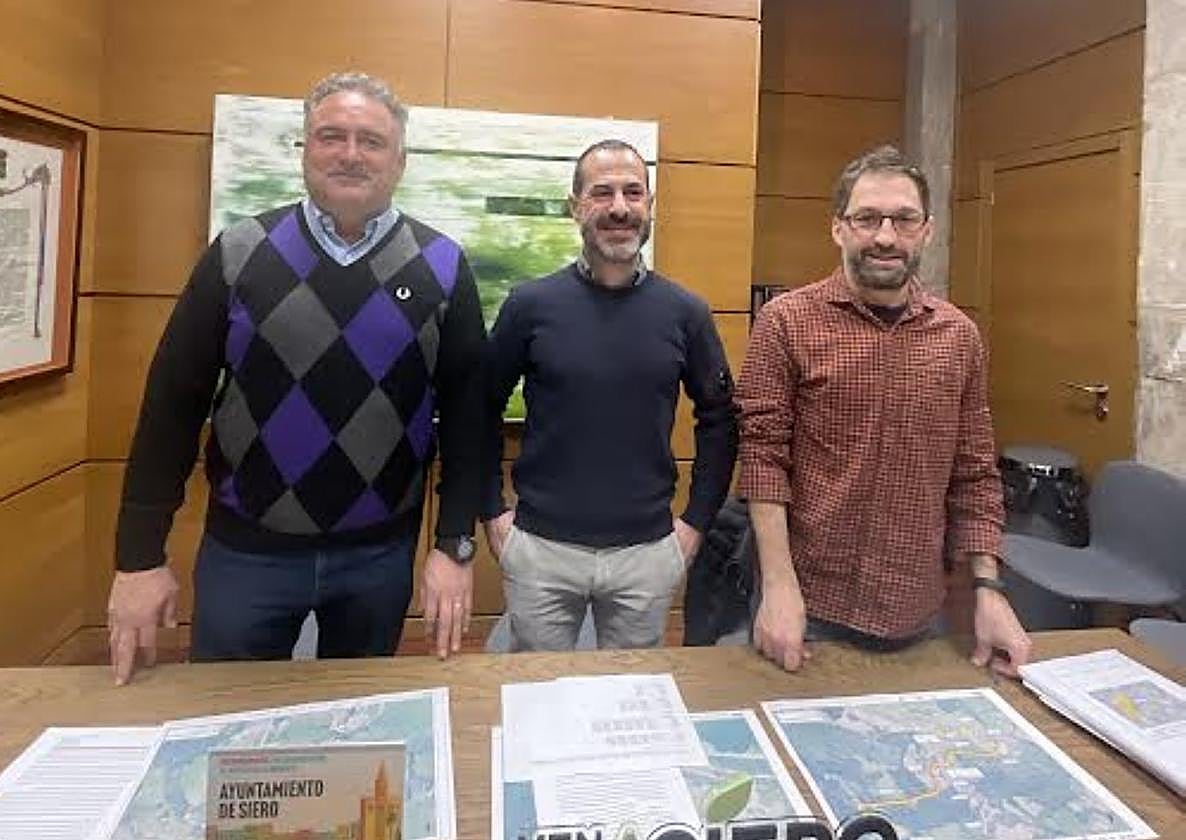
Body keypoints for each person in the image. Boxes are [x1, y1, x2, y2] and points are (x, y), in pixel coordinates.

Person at [106, 72, 487, 684]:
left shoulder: (442, 266)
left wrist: (453, 545)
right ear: (305, 150)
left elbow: (470, 421)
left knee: (356, 725)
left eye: (371, 141)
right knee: (223, 727)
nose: (350, 154)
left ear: (400, 160)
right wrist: (139, 557)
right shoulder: (239, 252)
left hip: (379, 556)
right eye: (331, 136)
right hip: (246, 556)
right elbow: (172, 406)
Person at [736, 144, 1031, 675]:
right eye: (867, 218)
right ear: (838, 228)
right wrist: (778, 587)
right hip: (807, 604)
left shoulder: (959, 337)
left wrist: (989, 589)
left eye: (903, 219)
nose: (886, 237)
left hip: (917, 608)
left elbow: (975, 473)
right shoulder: (786, 323)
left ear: (927, 230)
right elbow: (762, 459)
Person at [482, 139, 738, 651]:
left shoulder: (686, 312)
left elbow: (720, 419)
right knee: (539, 698)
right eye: (602, 192)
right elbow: (478, 409)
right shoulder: (529, 305)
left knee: (628, 704)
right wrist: (493, 514)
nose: (619, 207)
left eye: (632, 193)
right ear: (576, 205)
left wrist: (694, 526)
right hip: (540, 551)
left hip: (646, 555)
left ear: (649, 206)